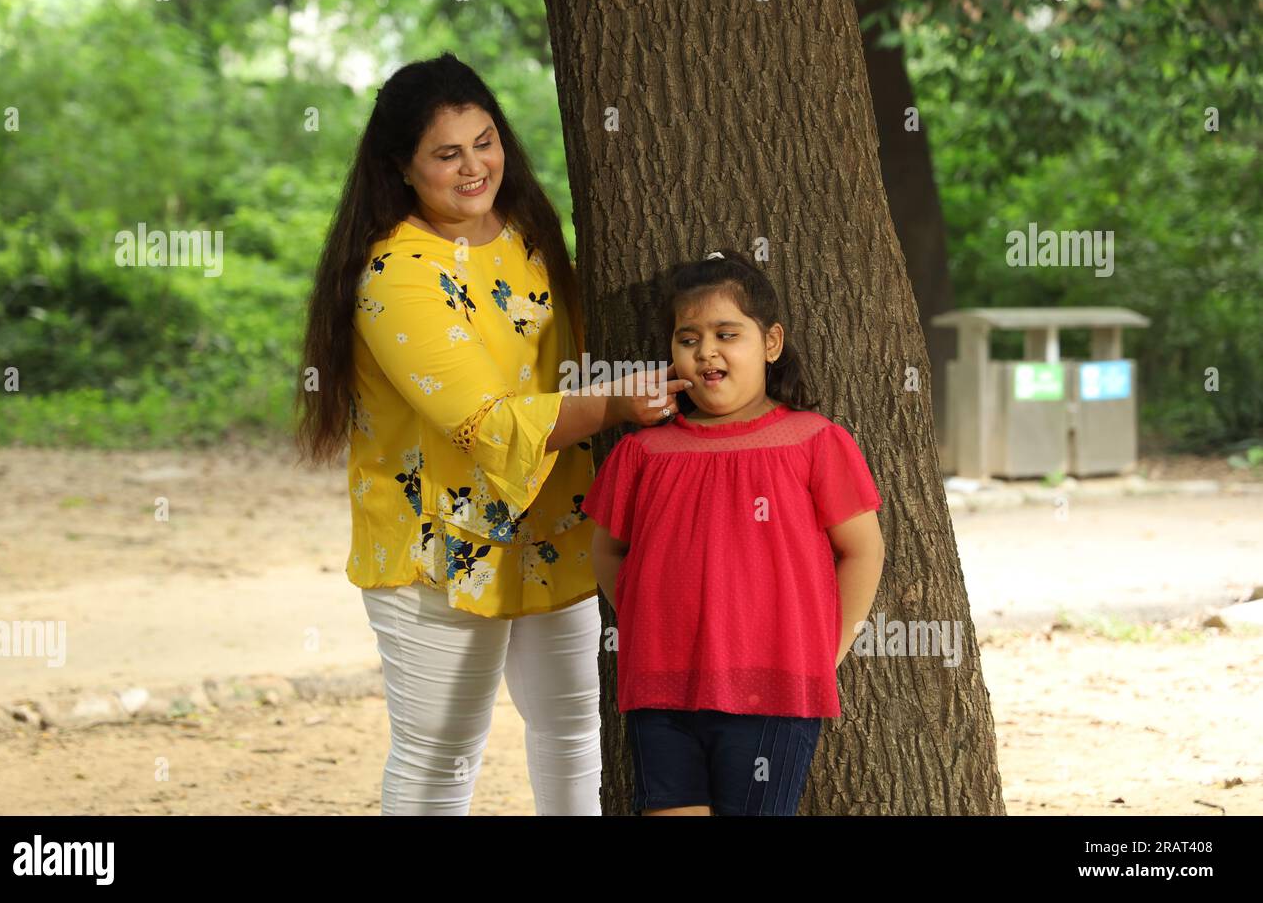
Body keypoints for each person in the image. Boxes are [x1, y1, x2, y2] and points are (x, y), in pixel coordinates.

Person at [295, 52, 691, 815]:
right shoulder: (395, 275)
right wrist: (612, 406)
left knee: (576, 732)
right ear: (401, 167)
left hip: (553, 521)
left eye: (485, 141)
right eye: (447, 153)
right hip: (438, 543)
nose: (475, 166)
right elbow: (484, 424)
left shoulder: (527, 231)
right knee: (440, 756)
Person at [582, 248, 887, 816]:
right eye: (688, 338)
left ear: (770, 343)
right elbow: (606, 548)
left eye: (727, 333)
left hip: (773, 688)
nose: (706, 352)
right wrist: (649, 619)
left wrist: (825, 652)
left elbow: (863, 550)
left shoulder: (813, 440)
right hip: (661, 690)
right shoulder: (643, 452)